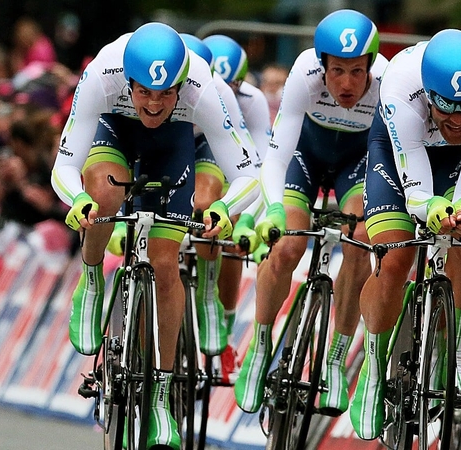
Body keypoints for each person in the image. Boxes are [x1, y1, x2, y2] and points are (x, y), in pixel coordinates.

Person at [50, 22, 260, 449]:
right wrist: (78, 200)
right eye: (144, 91)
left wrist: (224, 208)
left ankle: (162, 398)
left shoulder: (204, 86)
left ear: (182, 84)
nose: (153, 102)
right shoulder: (101, 74)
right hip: (114, 131)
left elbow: (248, 174)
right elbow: (63, 166)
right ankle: (90, 281)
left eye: (166, 93)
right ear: (128, 81)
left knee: (166, 262)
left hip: (172, 144)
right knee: (105, 193)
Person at [348, 28, 461, 440]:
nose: (457, 120)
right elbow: (417, 192)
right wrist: (431, 207)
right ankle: (371, 367)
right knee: (394, 258)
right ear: (428, 94)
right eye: (447, 108)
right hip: (400, 150)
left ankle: (456, 358)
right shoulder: (401, 86)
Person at [233, 9, 388, 417]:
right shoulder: (303, 73)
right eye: (337, 70)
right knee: (287, 249)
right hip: (304, 158)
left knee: (360, 244)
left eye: (358, 72)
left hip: (357, 164)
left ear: (371, 65)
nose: (347, 83)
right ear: (322, 65)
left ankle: (335, 358)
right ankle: (260, 346)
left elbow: (393, 157)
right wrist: (273, 210)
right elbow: (277, 152)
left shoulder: (387, 82)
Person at [202, 33, 272, 382]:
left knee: (228, 236)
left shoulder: (252, 100)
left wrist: (245, 217)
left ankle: (224, 330)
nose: (226, 91)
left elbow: (260, 164)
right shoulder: (195, 91)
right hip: (195, 159)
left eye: (234, 85)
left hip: (234, 169)